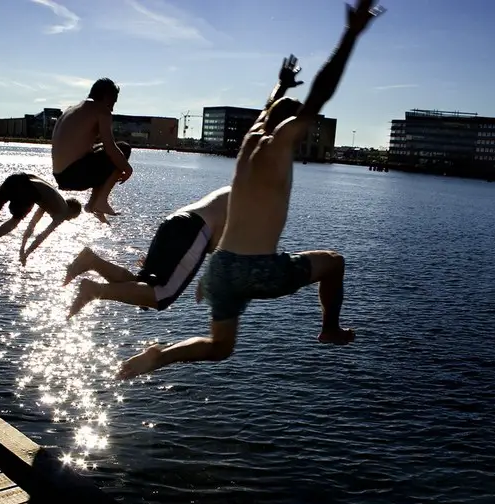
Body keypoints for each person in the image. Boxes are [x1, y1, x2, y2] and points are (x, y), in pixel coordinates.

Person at [117, 0, 385, 380]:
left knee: (220, 347)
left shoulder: (252, 138)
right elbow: (322, 94)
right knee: (335, 262)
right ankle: (329, 329)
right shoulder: (278, 143)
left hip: (221, 266)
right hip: (255, 269)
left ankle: (160, 356)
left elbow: (266, 109)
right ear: (291, 123)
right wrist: (350, 35)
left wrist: (281, 84)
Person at [63, 186, 230, 319]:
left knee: (143, 289)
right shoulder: (250, 199)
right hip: (195, 230)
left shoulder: (236, 189)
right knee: (162, 296)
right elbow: (229, 243)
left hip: (176, 222)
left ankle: (92, 261)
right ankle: (93, 290)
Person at [51, 78, 133, 223]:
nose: (112, 109)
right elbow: (110, 146)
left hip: (60, 175)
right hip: (74, 174)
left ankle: (93, 204)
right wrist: (127, 168)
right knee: (123, 149)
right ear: (107, 97)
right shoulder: (102, 110)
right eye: (112, 103)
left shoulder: (71, 109)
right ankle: (100, 202)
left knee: (106, 154)